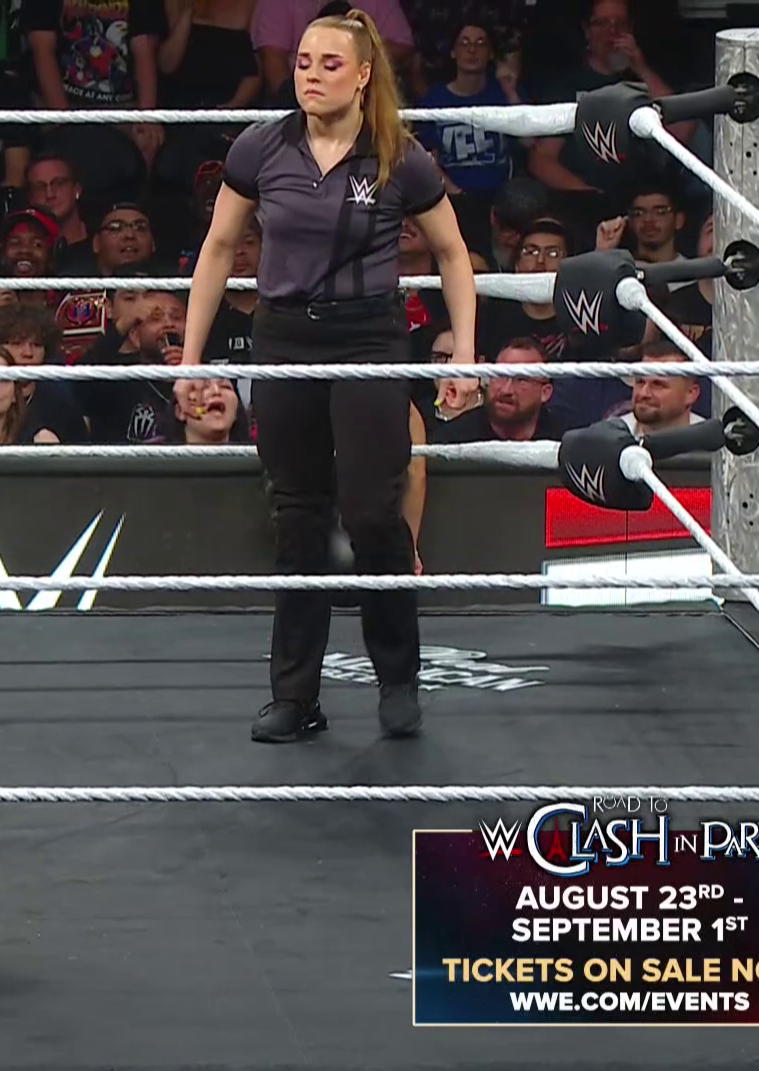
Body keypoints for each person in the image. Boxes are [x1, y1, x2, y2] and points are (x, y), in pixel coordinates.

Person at [180, 10, 477, 744]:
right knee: (298, 514)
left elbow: (452, 253)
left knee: (373, 511)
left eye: (329, 64)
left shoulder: (398, 156)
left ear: (364, 74)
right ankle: (295, 696)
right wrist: (190, 358)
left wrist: (466, 354)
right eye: (303, 61)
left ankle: (398, 679)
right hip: (284, 335)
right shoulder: (261, 147)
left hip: (369, 336)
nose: (310, 75)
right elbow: (218, 247)